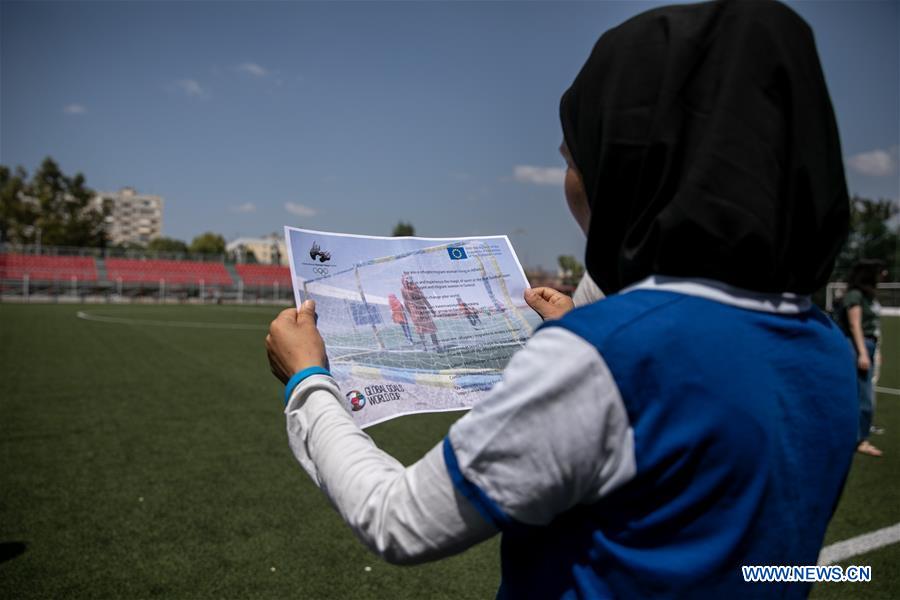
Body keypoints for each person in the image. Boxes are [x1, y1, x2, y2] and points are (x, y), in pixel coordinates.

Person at [266, 1, 857, 596]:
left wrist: (308, 381)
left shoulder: (609, 356)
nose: (568, 181)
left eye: (575, 157)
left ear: (627, 168)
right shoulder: (827, 348)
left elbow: (398, 519)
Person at [843, 260, 886, 457]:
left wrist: (874, 351)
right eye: (879, 272)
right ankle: (860, 440)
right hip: (858, 347)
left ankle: (857, 436)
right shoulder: (855, 295)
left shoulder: (867, 296)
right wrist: (862, 352)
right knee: (864, 397)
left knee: (862, 394)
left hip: (868, 345)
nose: (883, 275)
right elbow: (855, 325)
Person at [400, 273, 442, 351]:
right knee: (421, 329)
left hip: (421, 310)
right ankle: (426, 346)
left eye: (410, 278)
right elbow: (406, 302)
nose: (409, 280)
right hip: (416, 311)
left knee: (429, 328)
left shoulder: (415, 287)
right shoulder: (404, 289)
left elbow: (423, 298)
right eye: (407, 279)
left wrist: (431, 310)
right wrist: (410, 312)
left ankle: (433, 345)